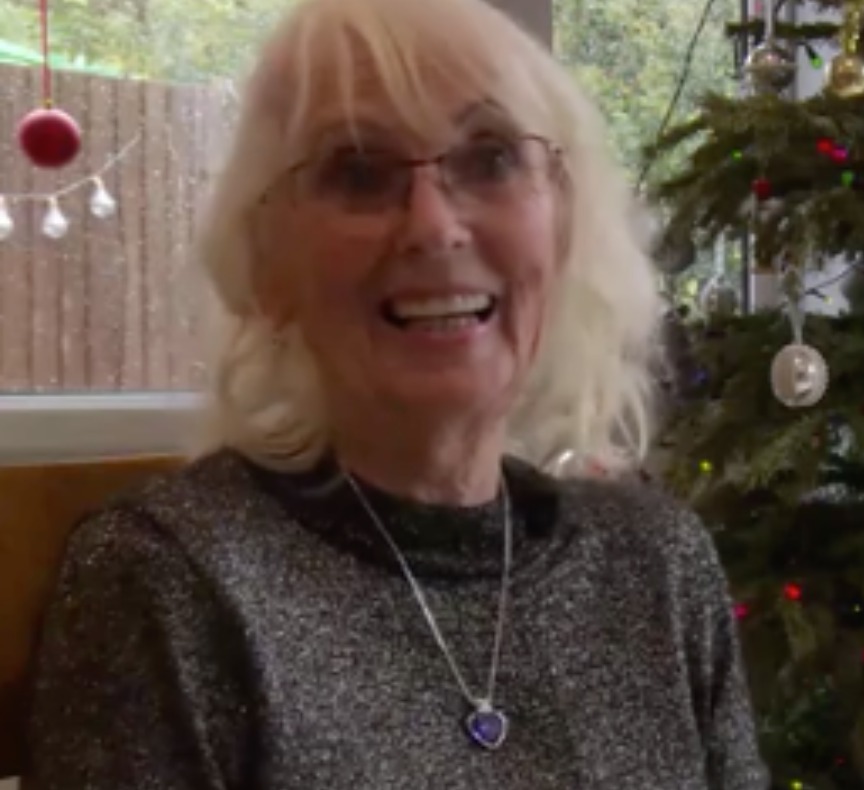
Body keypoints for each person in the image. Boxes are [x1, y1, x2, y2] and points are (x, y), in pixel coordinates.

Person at [24, 0, 767, 787]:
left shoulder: (658, 565)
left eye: (490, 158)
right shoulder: (169, 582)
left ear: (564, 226)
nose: (434, 227)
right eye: (359, 172)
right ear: (267, 261)